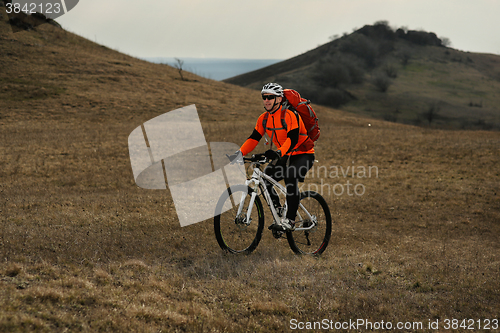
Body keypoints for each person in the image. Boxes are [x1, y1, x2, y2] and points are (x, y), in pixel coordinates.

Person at [233, 83, 315, 231]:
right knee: (265, 178)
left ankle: (290, 220)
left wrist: (278, 153)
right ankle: (278, 209)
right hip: (284, 154)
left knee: (290, 177)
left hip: (303, 154)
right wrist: (239, 153)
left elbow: (293, 139)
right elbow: (253, 138)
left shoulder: (289, 115)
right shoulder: (264, 118)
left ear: (279, 99)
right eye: (264, 97)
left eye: (270, 97)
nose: (266, 100)